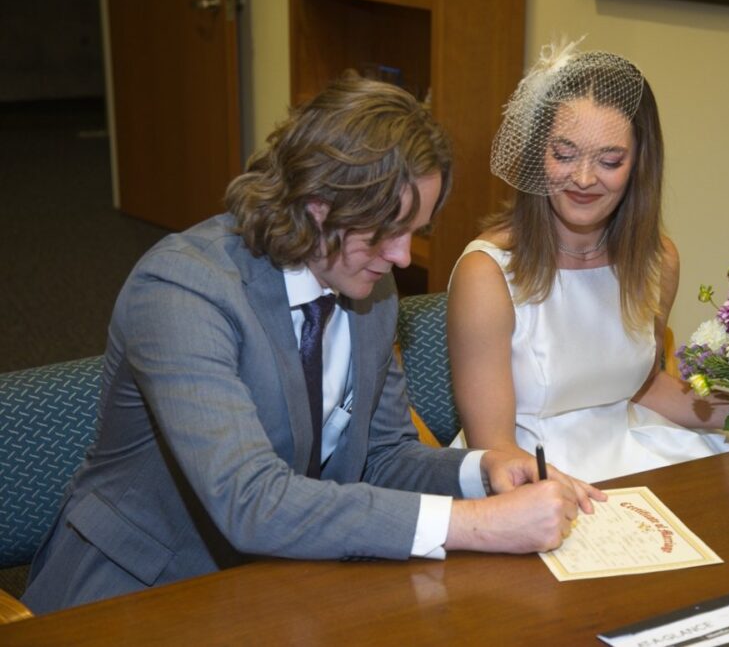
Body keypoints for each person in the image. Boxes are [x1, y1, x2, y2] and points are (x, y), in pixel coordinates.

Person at [22, 71, 602, 614]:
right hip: (137, 593)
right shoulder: (183, 289)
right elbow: (251, 501)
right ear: (317, 203)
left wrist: (483, 472)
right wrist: (479, 523)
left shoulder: (367, 284)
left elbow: (383, 456)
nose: (402, 256)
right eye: (387, 230)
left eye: (413, 231)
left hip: (278, 578)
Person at [447, 40, 729, 484]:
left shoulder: (657, 260)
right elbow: (493, 447)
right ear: (537, 154)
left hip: (634, 453)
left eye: (610, 160)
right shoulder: (488, 273)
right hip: (525, 473)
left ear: (639, 164)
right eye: (564, 154)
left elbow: (642, 387)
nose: (585, 178)